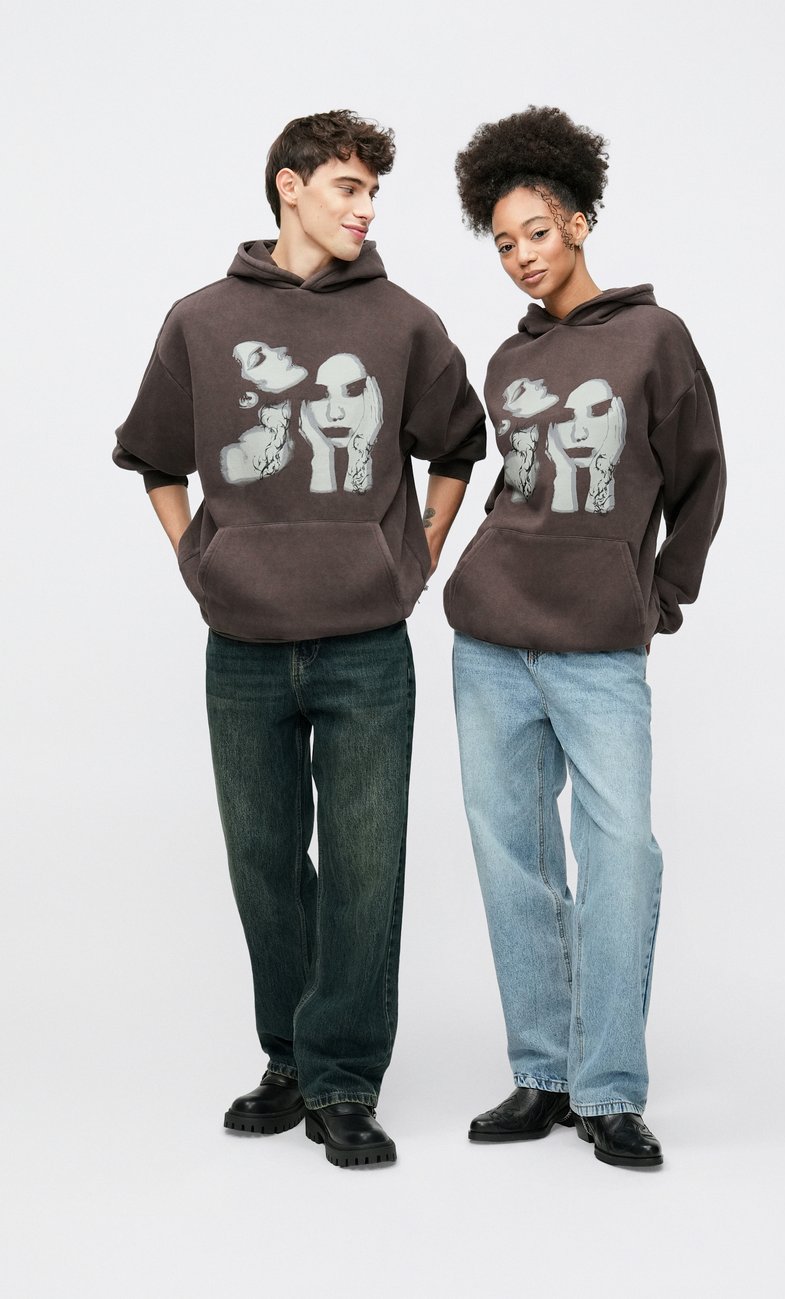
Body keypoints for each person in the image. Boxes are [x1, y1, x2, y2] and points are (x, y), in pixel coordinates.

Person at [113, 111, 485, 1169]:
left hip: (366, 644)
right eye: (348, 188)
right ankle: (289, 1056)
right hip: (242, 643)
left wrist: (415, 554)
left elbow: (459, 445)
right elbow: (156, 457)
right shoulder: (200, 319)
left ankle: (344, 1078)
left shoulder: (404, 322)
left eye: (373, 193)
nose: (366, 210)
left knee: (366, 869)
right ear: (290, 186)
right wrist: (198, 560)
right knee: (264, 864)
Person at [445, 106, 725, 1169]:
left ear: (579, 220)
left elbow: (701, 477)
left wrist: (661, 595)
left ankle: (608, 1088)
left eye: (537, 231)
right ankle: (544, 1074)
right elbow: (512, 488)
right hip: (490, 642)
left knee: (621, 858)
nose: (522, 255)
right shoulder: (505, 360)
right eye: (503, 242)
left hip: (601, 649)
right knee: (514, 861)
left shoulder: (655, 338)